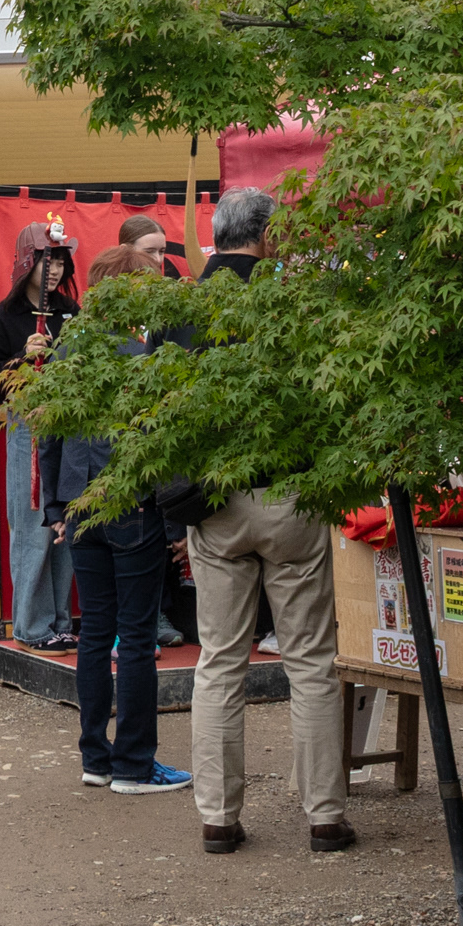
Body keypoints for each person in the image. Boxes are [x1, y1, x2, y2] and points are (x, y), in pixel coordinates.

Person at [181, 196, 355, 854]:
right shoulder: (294, 304)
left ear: (219, 237)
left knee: (220, 660)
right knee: (310, 658)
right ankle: (324, 817)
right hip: (288, 493)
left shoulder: (185, 309)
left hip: (213, 501)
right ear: (268, 239)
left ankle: (218, 819)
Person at [41, 249, 188, 796]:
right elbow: (159, 446)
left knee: (96, 634)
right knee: (137, 636)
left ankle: (95, 758)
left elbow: (49, 436)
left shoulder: (67, 350)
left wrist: (56, 508)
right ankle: (134, 764)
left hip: (80, 510)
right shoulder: (143, 355)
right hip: (133, 508)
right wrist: (176, 525)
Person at [0, 226, 79, 648]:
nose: (54, 269)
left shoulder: (72, 312)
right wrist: (22, 359)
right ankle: (31, 626)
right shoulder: (5, 317)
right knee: (33, 524)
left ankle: (59, 621)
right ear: (27, 262)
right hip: (28, 427)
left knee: (65, 525)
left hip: (70, 424)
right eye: (46, 259)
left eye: (60, 260)